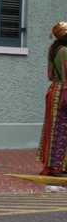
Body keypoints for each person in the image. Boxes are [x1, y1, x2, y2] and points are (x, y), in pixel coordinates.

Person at [36, 22, 67, 177]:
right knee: (62, 130)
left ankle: (50, 165)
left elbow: (50, 76)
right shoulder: (66, 51)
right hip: (64, 92)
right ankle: (58, 168)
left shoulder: (53, 52)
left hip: (53, 91)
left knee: (52, 129)